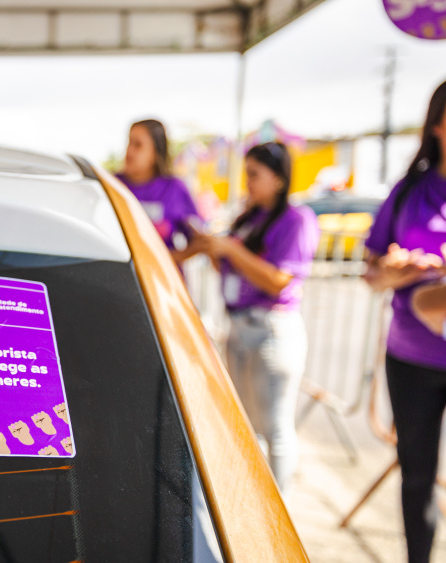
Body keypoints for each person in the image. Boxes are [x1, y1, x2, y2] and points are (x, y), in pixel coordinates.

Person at [363, 76, 446, 563]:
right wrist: (392, 273)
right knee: (417, 477)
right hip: (413, 359)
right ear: (438, 123)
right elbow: (371, 273)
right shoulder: (408, 192)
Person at [198, 142, 319, 496]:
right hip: (239, 326)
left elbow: (279, 280)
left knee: (275, 428)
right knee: (247, 424)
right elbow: (230, 266)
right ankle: (253, 502)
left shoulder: (297, 219)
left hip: (272, 331)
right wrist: (215, 249)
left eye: (254, 174)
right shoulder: (250, 215)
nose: (247, 182)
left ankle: (277, 511)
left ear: (279, 179)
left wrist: (231, 249)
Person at [116, 119, 203, 264]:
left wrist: (167, 259)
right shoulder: (113, 185)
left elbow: (200, 239)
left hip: (160, 282)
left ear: (155, 153)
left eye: (138, 145)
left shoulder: (174, 188)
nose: (129, 151)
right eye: (129, 143)